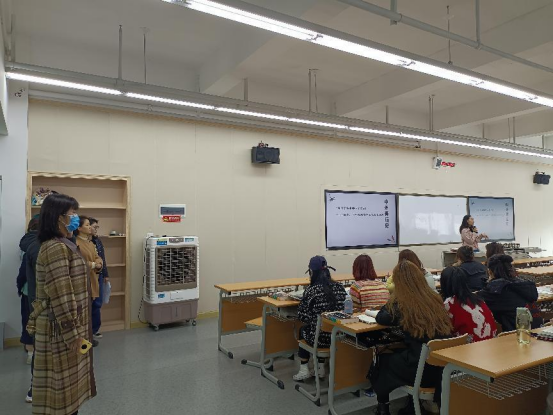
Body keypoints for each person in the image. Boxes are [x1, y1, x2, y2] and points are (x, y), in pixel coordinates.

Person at [30, 193, 96, 415]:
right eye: (72, 213)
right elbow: (61, 296)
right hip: (60, 331)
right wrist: (73, 336)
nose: (76, 217)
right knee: (61, 397)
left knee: (69, 395)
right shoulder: (55, 248)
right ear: (59, 217)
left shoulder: (64, 244)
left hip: (66, 328)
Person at [368, 260, 452, 415]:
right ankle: (412, 404)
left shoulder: (402, 303)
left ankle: (383, 408)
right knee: (402, 352)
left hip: (422, 370)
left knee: (382, 358)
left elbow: (381, 317)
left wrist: (393, 296)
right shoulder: (434, 298)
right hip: (442, 368)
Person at [293, 256, 346, 381]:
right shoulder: (340, 288)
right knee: (321, 328)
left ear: (311, 272)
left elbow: (302, 316)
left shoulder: (311, 290)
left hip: (319, 340)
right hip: (339, 338)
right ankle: (321, 368)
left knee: (303, 329)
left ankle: (304, 369)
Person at [478, 254, 541, 332]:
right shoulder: (524, 284)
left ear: (490, 271)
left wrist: (489, 283)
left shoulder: (495, 290)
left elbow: (478, 303)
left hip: (516, 334)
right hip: (537, 330)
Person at [440, 266, 497, 343]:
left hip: (469, 347)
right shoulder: (478, 299)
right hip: (491, 344)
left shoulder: (449, 304)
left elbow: (444, 332)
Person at [75, 216, 103, 347]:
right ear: (79, 228)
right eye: (87, 225)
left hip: (93, 279)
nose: (90, 227)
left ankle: (89, 336)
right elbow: (77, 263)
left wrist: (98, 264)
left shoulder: (90, 243)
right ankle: (82, 339)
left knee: (91, 311)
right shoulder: (75, 243)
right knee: (82, 313)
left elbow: (98, 257)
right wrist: (93, 265)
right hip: (81, 282)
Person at [17, 217, 39, 365]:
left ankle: (30, 351)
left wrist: (20, 285)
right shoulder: (39, 245)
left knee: (27, 320)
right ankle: (32, 351)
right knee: (34, 321)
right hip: (37, 290)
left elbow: (23, 271)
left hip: (27, 289)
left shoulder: (25, 243)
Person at [88, 218, 109, 339]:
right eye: (94, 227)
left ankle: (95, 329)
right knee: (88, 303)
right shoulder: (82, 241)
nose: (96, 229)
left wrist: (106, 274)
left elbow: (102, 258)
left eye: (97, 227)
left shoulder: (97, 241)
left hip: (99, 275)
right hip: (89, 276)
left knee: (97, 303)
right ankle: (87, 331)